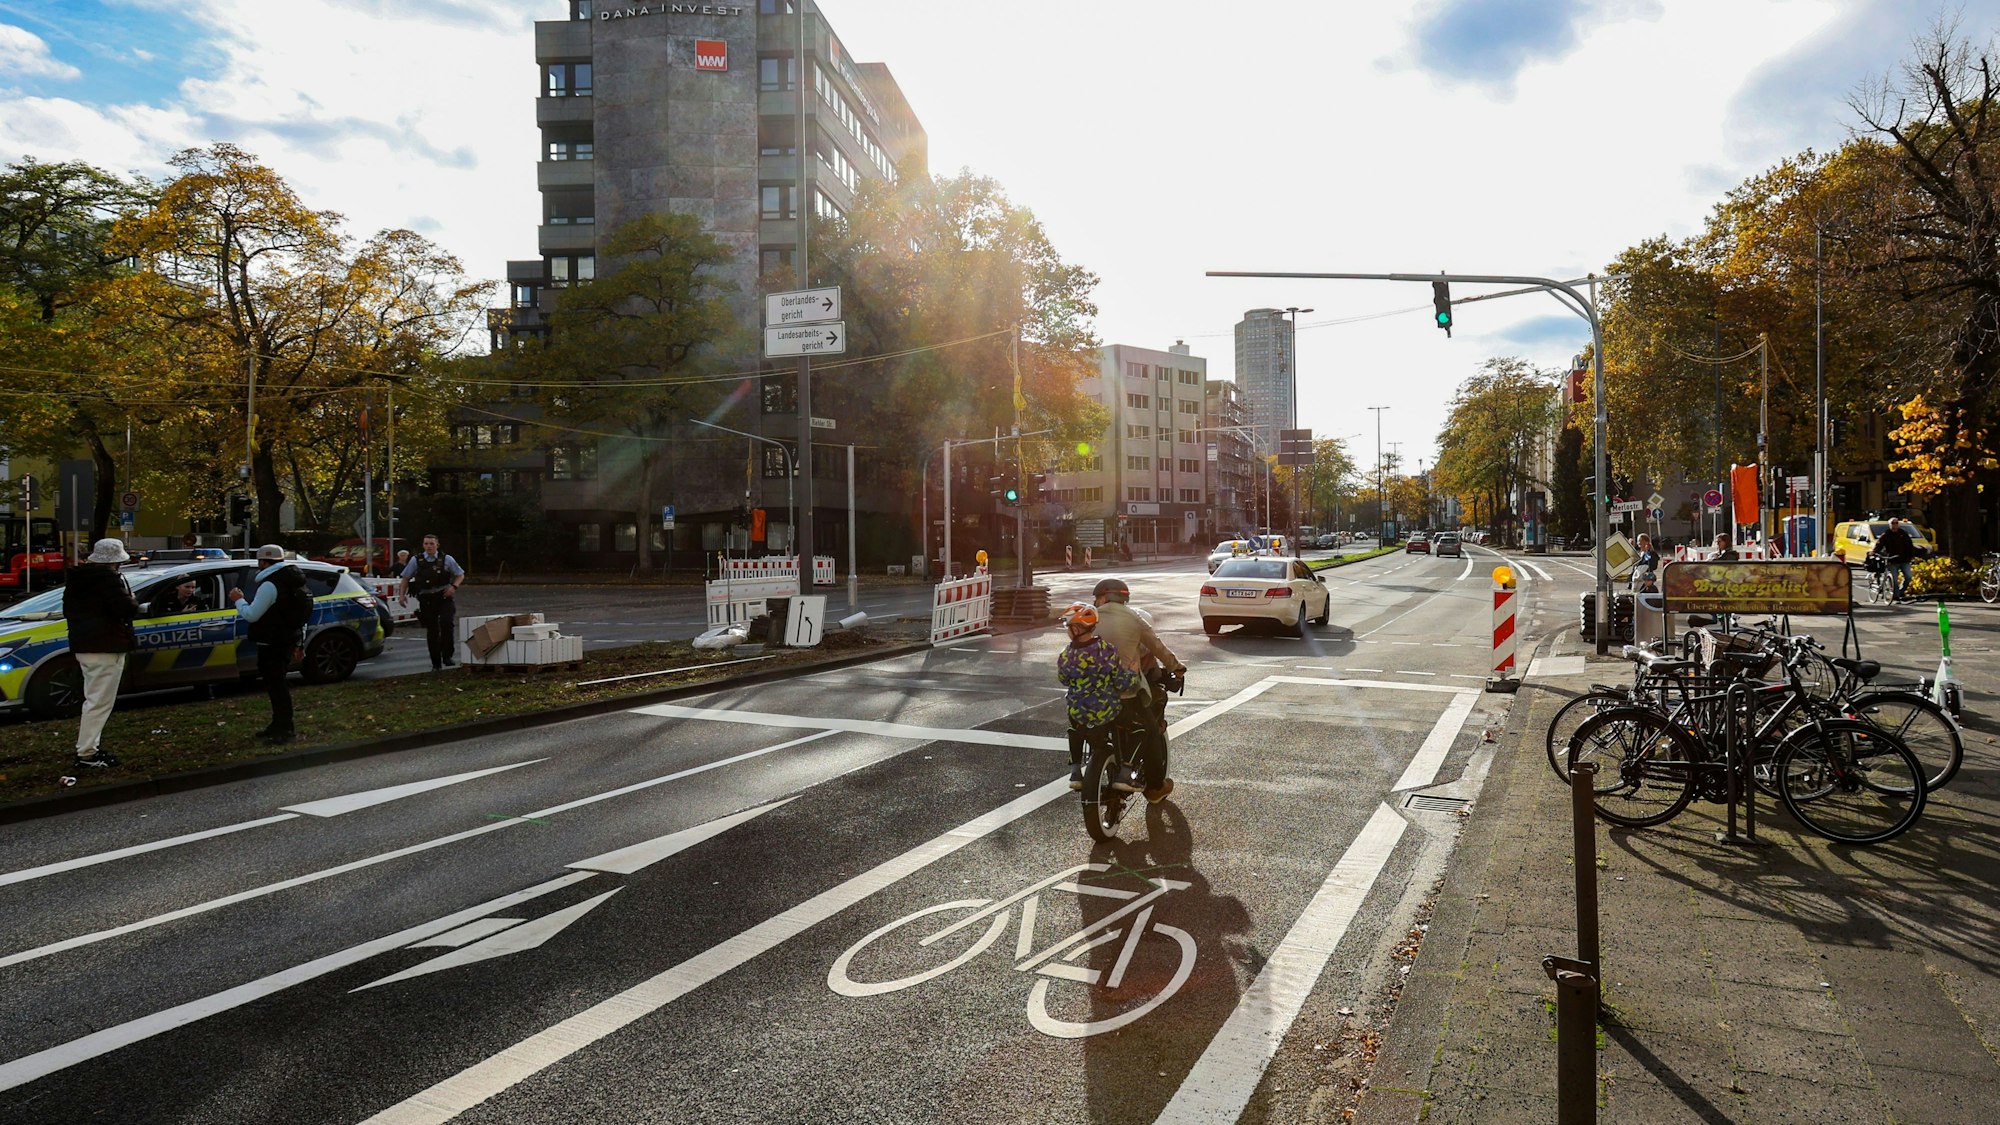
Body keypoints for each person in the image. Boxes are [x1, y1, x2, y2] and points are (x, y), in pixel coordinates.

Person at [1091, 577, 1187, 802]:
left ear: (1105, 596)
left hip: (1091, 693)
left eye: (1097, 597)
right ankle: (1154, 787)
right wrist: (1177, 667)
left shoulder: (1089, 618)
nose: (1095, 602)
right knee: (1151, 730)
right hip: (1125, 693)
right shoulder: (1134, 618)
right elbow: (1156, 645)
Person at [63, 538, 139, 769]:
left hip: (84, 646)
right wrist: (133, 602)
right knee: (99, 703)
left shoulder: (77, 580)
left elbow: (68, 609)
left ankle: (88, 750)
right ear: (116, 562)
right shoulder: (109, 580)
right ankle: (87, 753)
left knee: (93, 699)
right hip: (107, 646)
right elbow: (125, 609)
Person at [229, 545, 314, 744]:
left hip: (271, 642)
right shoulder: (295, 580)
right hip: (287, 639)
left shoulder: (270, 585)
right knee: (278, 685)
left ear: (263, 562)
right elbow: (299, 615)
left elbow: (251, 615)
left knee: (276, 687)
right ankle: (279, 724)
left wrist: (238, 600)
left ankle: (285, 729)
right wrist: (299, 643)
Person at [1055, 604, 1138, 792]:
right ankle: (1125, 771)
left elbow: (1064, 680)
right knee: (1135, 729)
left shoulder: (1066, 655)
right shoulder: (1107, 650)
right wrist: (1133, 673)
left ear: (1076, 629)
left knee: (1075, 728)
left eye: (1068, 627)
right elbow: (1121, 683)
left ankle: (1076, 770)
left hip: (1078, 712)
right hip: (1107, 711)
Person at [399, 533, 466, 671]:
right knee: (432, 630)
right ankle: (436, 663)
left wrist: (453, 587)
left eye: (431, 544)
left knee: (447, 623)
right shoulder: (416, 561)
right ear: (423, 545)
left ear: (437, 545)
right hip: (427, 598)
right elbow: (405, 578)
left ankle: (447, 655)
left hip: (443, 596)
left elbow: (460, 574)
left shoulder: (446, 559)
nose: (428, 546)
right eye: (426, 544)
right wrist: (402, 595)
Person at [1876, 518, 1917, 602]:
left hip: (1904, 559)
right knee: (1894, 579)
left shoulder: (1903, 533)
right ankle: (1896, 596)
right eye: (1892, 523)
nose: (1894, 525)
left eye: (1896, 523)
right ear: (1889, 525)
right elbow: (1879, 544)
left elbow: (1910, 545)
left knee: (1908, 577)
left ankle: (1901, 592)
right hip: (1892, 560)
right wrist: (1874, 551)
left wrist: (1912, 555)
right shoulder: (1886, 534)